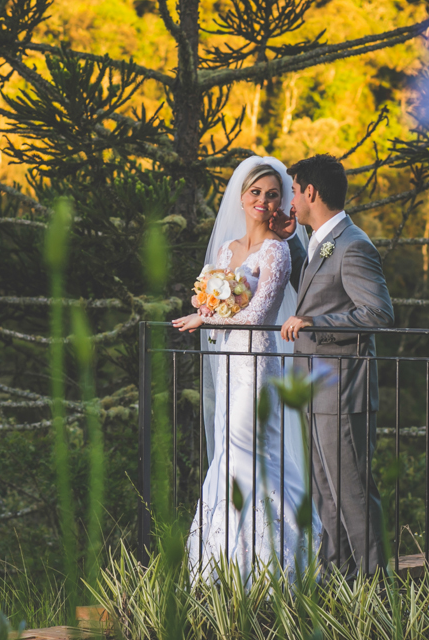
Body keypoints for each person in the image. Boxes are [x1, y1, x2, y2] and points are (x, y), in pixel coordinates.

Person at [171, 156, 321, 584]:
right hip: (228, 363)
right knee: (227, 455)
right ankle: (221, 563)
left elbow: (258, 315)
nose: (263, 200)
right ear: (241, 197)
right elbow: (209, 296)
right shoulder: (227, 250)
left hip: (257, 365)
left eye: (273, 194)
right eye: (256, 192)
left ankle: (270, 566)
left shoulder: (276, 252)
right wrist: (207, 304)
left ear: (282, 201)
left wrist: (207, 318)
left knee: (253, 455)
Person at [279, 153, 394, 579]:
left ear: (310, 191)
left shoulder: (354, 245)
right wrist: (289, 239)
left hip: (344, 388)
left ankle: (377, 588)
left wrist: (314, 323)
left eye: (293, 190)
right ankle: (338, 581)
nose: (291, 198)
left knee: (352, 492)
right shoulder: (320, 241)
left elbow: (378, 314)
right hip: (315, 385)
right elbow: (314, 292)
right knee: (327, 492)